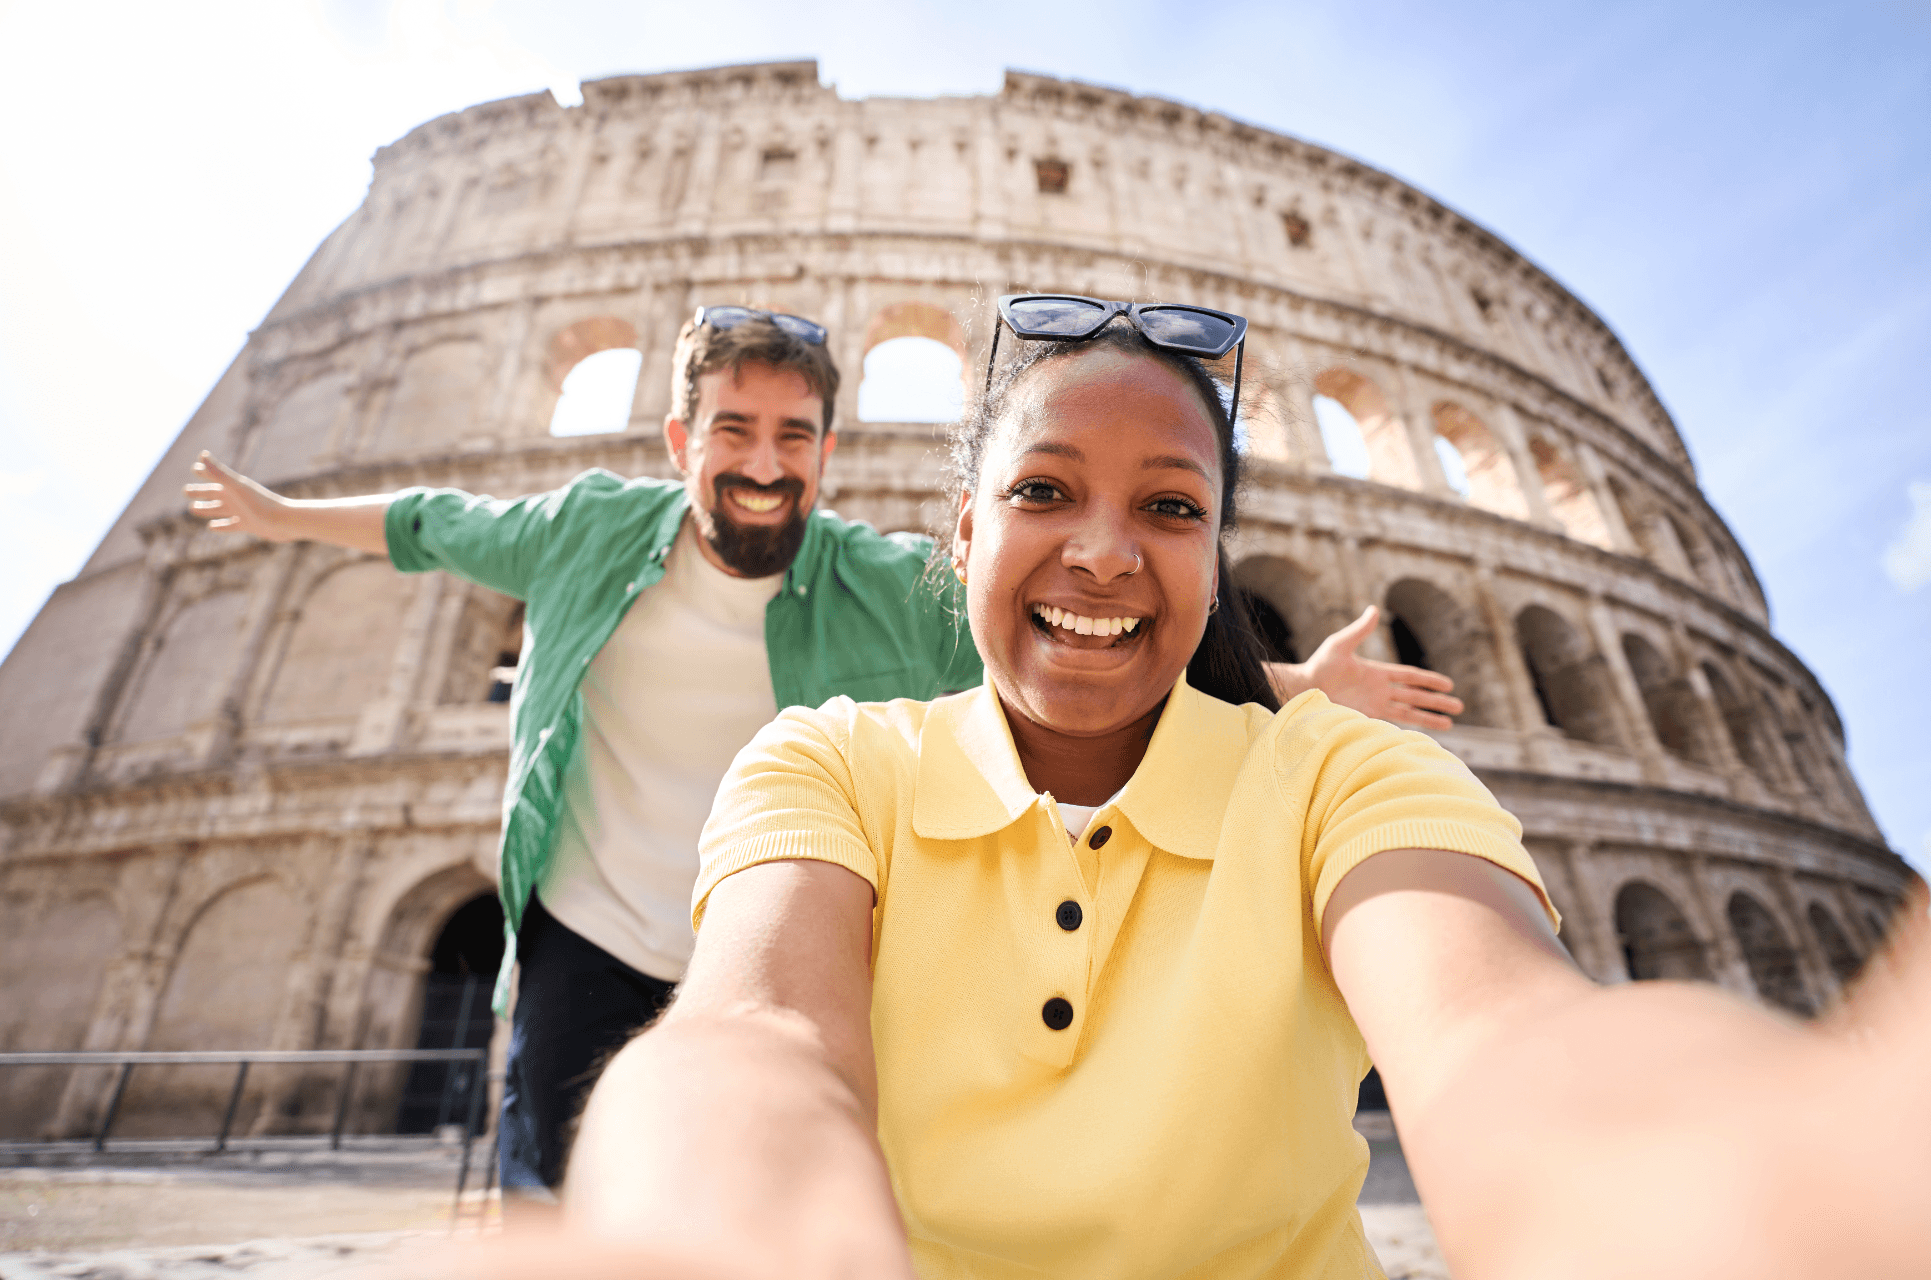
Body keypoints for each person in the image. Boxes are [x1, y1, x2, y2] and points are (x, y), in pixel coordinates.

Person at [522, 298, 1931, 1280]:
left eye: (1170, 507)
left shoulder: (1342, 773)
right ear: (956, 537)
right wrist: (689, 1213)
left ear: (1218, 565)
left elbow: (1501, 1033)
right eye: (1042, 493)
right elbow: (759, 1032)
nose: (1101, 553)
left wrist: (1701, 1172)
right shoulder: (825, 759)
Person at [182, 306, 1463, 1199]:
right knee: (553, 1185)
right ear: (685, 442)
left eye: (793, 436)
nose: (761, 460)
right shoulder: (584, 527)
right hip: (586, 925)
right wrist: (281, 513)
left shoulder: (868, 576)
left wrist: (1291, 681)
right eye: (733, 430)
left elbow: (1066, 627)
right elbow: (431, 525)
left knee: (769, 1178)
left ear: (824, 454)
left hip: (779, 918)